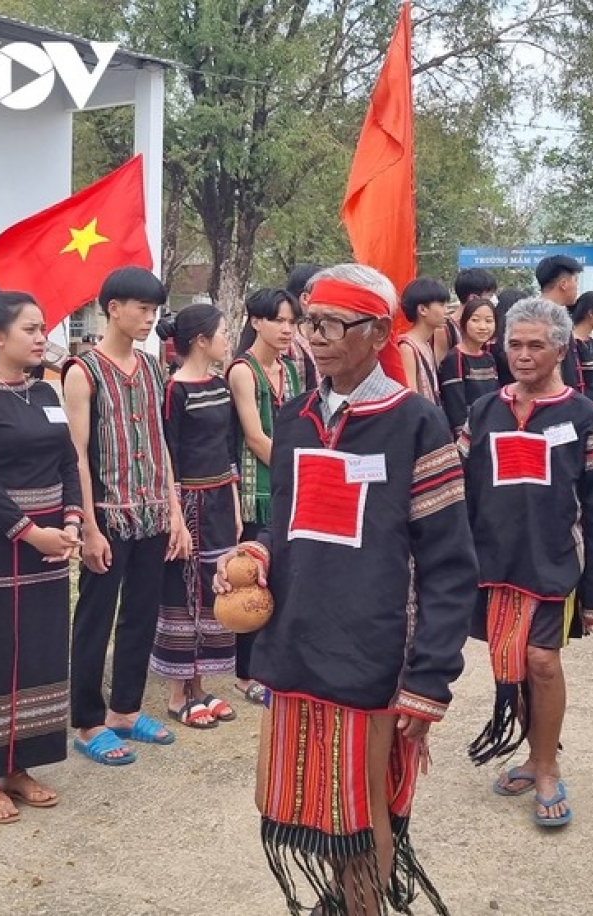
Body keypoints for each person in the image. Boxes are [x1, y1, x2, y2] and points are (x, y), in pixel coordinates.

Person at [214, 264, 478, 916]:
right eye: (311, 323)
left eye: (334, 324)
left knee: (360, 815)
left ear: (379, 330)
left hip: (375, 650)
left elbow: (450, 564)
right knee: (317, 806)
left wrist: (431, 677)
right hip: (299, 642)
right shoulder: (296, 417)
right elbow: (289, 527)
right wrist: (254, 551)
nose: (316, 337)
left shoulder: (417, 422)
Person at [460, 297, 593, 828]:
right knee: (512, 664)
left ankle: (547, 767)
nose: (522, 356)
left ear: (561, 349)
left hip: (553, 564)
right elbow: (457, 489)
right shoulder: (484, 411)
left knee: (542, 661)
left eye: (535, 345)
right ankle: (532, 752)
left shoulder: (582, 415)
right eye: (514, 345)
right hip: (493, 563)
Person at [0, 290, 81, 823]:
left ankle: (19, 765)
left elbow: (68, 462)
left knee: (41, 651)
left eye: (43, 327)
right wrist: (32, 532)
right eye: (30, 328)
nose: (42, 336)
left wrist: (70, 521)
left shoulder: (45, 392)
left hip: (50, 542)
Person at [62, 267, 189, 765]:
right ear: (113, 307)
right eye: (141, 309)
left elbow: (161, 443)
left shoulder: (156, 368)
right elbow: (76, 454)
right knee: (95, 617)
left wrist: (176, 512)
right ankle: (89, 721)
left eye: (154, 311)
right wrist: (89, 526)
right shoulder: (82, 371)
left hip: (154, 512)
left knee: (141, 615)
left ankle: (126, 711)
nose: (149, 319)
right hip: (108, 517)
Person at [151, 305, 240, 728]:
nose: (227, 338)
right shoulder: (174, 390)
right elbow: (168, 455)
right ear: (201, 341)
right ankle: (175, 694)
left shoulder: (221, 385)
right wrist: (176, 515)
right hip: (188, 503)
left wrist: (236, 504)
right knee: (183, 592)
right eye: (222, 332)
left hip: (222, 498)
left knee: (213, 589)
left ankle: (201, 685)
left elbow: (228, 448)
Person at [227, 288, 306, 704]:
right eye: (278, 320)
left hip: (290, 484)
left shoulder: (292, 369)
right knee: (252, 581)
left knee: (285, 576)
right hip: (260, 488)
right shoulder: (243, 370)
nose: (287, 329)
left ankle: (273, 664)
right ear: (256, 322)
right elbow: (255, 436)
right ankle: (245, 674)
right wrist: (299, 469)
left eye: (292, 321)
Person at [438, 295, 500, 436]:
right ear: (463, 323)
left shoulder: (489, 357)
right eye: (475, 320)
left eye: (489, 321)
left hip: (490, 429)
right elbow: (455, 408)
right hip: (469, 434)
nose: (483, 326)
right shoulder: (455, 358)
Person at [536, 255, 584, 391]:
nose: (577, 287)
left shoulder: (559, 315)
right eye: (576, 281)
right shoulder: (542, 318)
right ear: (563, 284)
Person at [398, 277, 449, 404]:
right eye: (441, 305)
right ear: (422, 310)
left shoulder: (426, 344)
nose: (446, 311)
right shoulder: (407, 348)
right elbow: (411, 397)